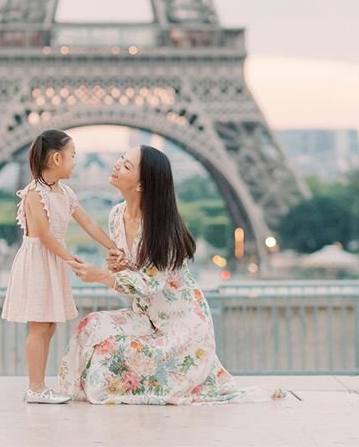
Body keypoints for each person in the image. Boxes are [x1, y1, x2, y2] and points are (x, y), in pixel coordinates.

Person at [59, 145, 285, 405]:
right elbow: (132, 273)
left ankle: (112, 392)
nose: (117, 165)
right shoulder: (116, 215)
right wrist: (117, 265)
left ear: (142, 185)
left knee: (115, 349)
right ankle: (78, 390)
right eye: (121, 159)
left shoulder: (163, 230)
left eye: (126, 165)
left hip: (181, 325)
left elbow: (150, 283)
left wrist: (100, 275)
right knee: (92, 325)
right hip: (145, 317)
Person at [1, 128, 120, 404]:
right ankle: (35, 387)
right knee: (39, 326)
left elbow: (88, 223)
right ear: (56, 159)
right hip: (39, 262)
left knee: (49, 325)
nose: (75, 161)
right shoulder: (34, 193)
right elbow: (43, 235)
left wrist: (114, 247)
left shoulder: (64, 192)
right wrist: (70, 259)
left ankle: (40, 385)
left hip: (51, 260)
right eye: (72, 155)